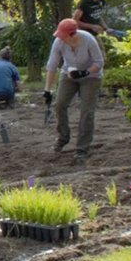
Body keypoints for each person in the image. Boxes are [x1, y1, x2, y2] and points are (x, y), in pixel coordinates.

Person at [42, 18, 104, 160]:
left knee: (87, 111)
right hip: (68, 75)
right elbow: (52, 66)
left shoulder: (88, 40)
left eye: (63, 36)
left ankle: (82, 148)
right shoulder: (59, 42)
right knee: (59, 104)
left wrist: (85, 72)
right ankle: (63, 137)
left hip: (91, 77)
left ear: (72, 34)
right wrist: (47, 90)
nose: (60, 38)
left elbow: (99, 62)